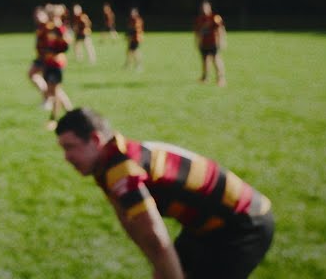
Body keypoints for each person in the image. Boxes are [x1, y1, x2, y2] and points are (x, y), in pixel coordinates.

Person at [55, 108, 274, 278]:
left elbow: (156, 239)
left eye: (70, 147)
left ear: (95, 140)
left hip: (244, 223)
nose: (66, 157)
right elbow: (130, 223)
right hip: (208, 227)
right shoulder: (108, 163)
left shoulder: (121, 169)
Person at [40, 20, 73, 129]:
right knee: (54, 92)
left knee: (56, 93)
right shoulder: (48, 28)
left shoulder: (60, 29)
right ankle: (71, 113)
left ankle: (54, 119)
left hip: (56, 65)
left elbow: (66, 44)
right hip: (48, 64)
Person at [193, 1, 226, 86]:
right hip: (204, 43)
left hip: (213, 43)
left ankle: (221, 79)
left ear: (209, 8)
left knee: (216, 60)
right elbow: (197, 32)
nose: (204, 10)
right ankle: (205, 78)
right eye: (203, 8)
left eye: (206, 8)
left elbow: (221, 29)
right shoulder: (199, 19)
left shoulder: (215, 18)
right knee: (205, 61)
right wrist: (197, 42)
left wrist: (222, 41)